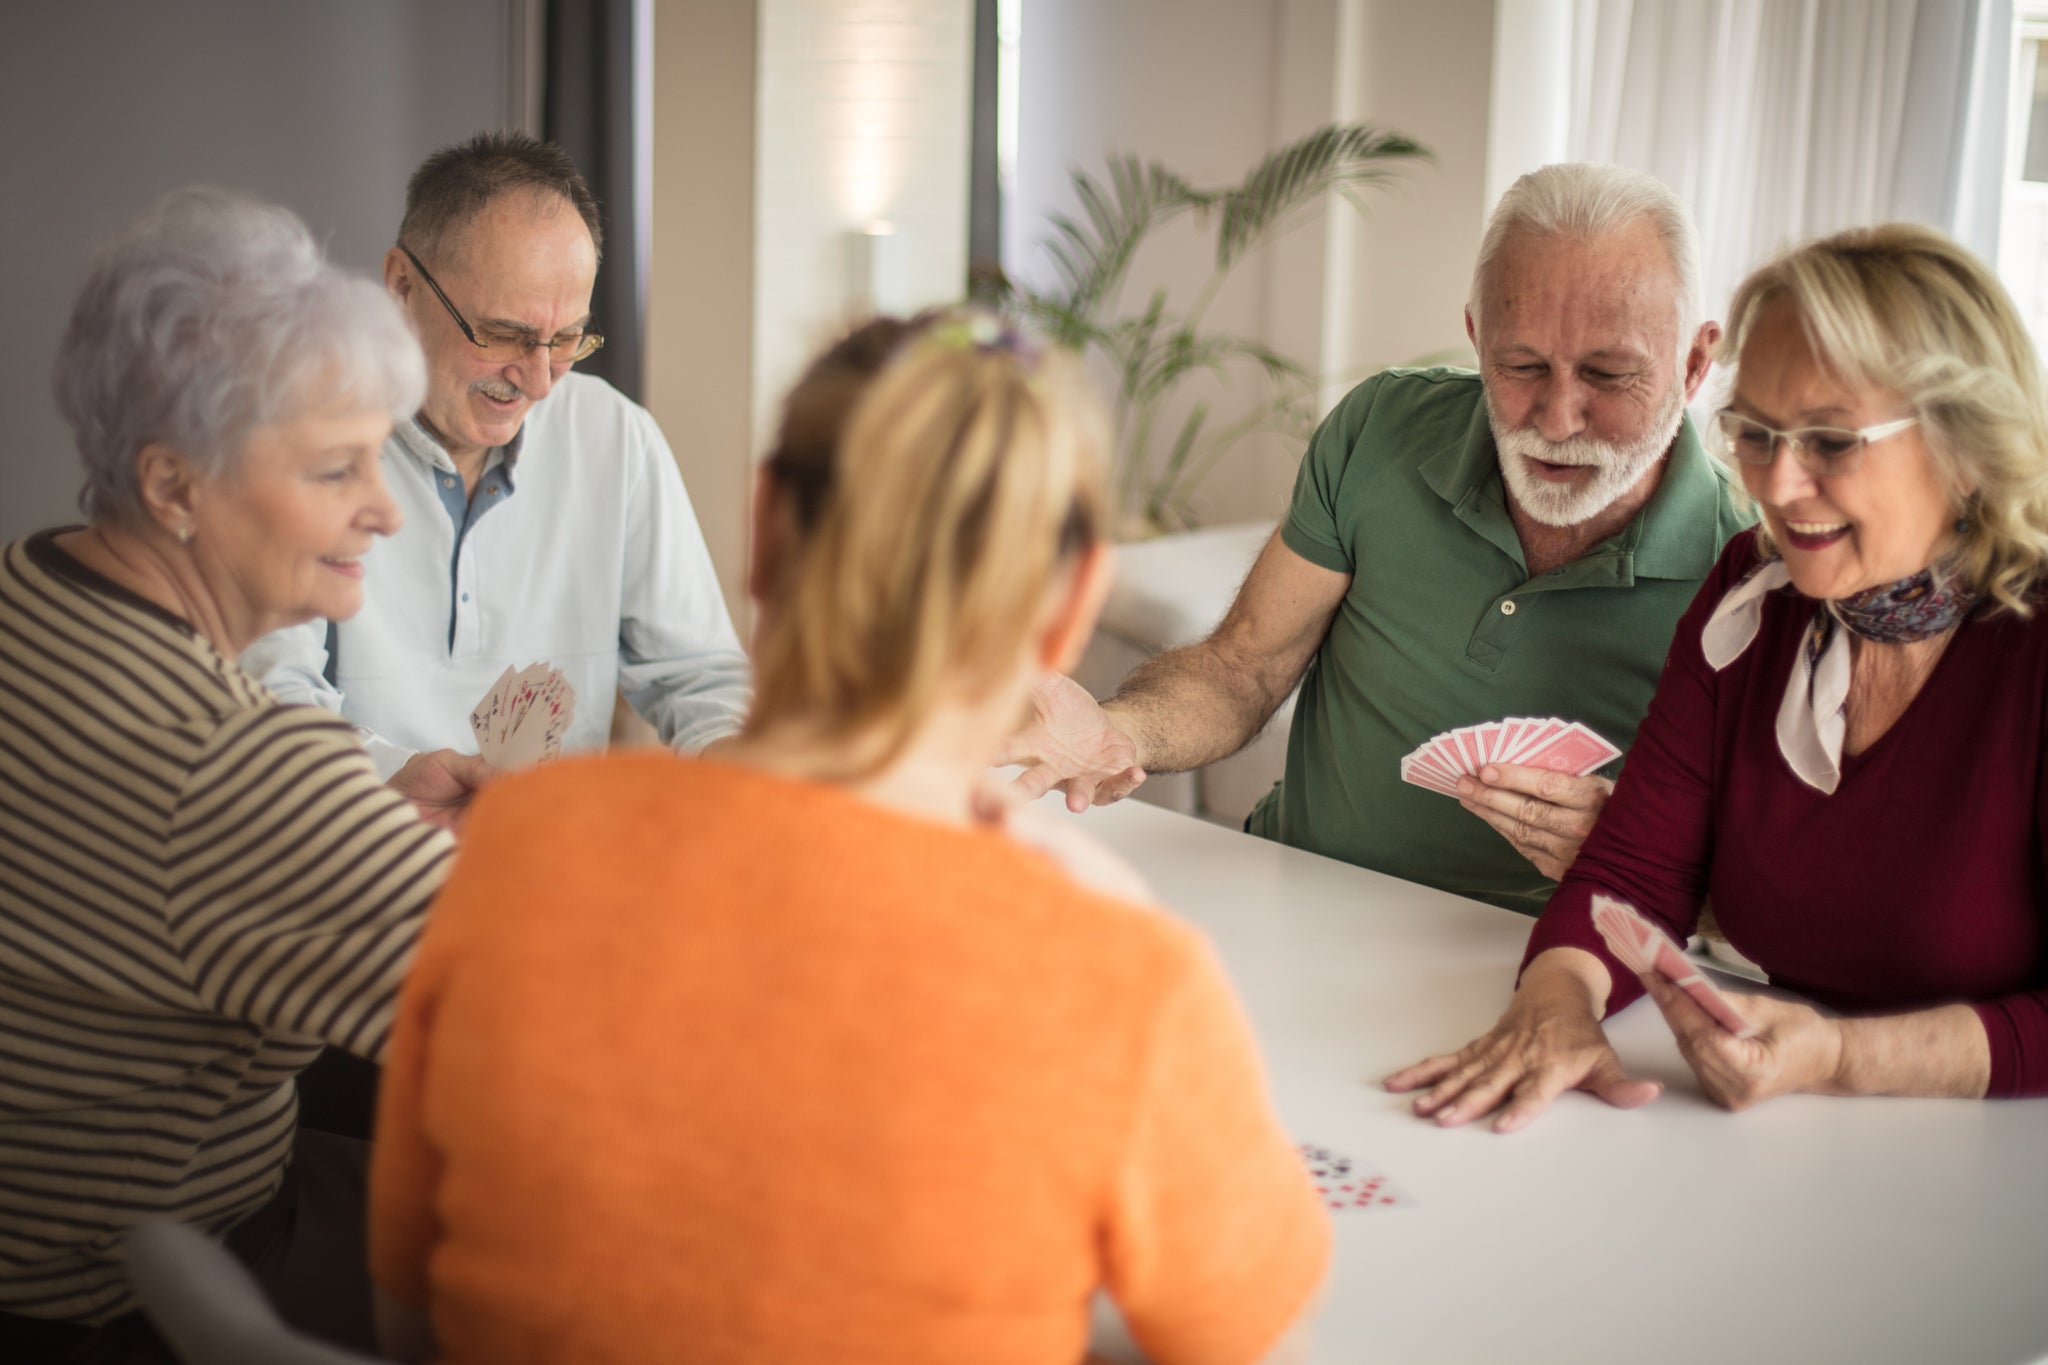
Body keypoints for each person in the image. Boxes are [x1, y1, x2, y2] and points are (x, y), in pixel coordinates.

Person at [367, 314, 1329, 1365]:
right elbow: (1248, 1332)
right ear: (1067, 615)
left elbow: (408, 1304)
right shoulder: (1124, 978)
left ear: (765, 531)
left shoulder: (513, 851)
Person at [1388, 223, 2048, 1131]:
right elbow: (1633, 867)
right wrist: (1558, 1001)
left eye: (1830, 440)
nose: (1778, 484)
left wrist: (1843, 1056)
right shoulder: (1753, 587)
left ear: (1966, 445)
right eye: (1756, 432)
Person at [1004, 163, 1755, 912]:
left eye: (1609, 373)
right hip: (1291, 891)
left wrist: (1647, 853)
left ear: (1694, 363)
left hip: (1537, 958)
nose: (1556, 418)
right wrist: (1118, 729)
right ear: (1474, 334)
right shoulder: (1381, 429)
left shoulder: (1754, 565)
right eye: (1520, 365)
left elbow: (1772, 888)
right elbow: (1243, 666)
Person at [0, 190, 453, 1361]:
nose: (385, 510)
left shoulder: (32, 576)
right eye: (331, 470)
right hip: (145, 1290)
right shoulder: (235, 761)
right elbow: (550, 1017)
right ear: (172, 486)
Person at [243, 130, 748, 807]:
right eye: (504, 334)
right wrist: (390, 772)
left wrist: (742, 766)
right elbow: (263, 700)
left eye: (567, 338)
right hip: (353, 858)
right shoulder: (299, 438)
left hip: (543, 871)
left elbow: (702, 677)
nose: (539, 381)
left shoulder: (615, 437)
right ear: (400, 286)